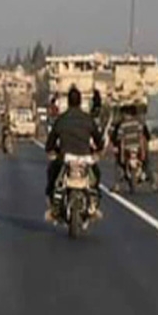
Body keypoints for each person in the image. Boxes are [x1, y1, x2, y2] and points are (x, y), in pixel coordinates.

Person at [44, 86, 105, 221]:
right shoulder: (88, 119)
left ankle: (52, 207)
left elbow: (50, 143)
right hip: (86, 158)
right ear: (80, 101)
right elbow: (98, 140)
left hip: (65, 157)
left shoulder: (61, 120)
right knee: (96, 177)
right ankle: (94, 204)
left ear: (69, 102)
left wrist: (52, 150)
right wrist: (97, 150)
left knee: (52, 174)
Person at [110, 103, 158, 191]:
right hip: (139, 148)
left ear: (125, 114)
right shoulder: (140, 123)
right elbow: (145, 136)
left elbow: (118, 139)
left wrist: (117, 148)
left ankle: (117, 185)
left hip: (126, 149)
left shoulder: (121, 124)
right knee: (146, 164)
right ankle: (153, 184)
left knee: (118, 164)